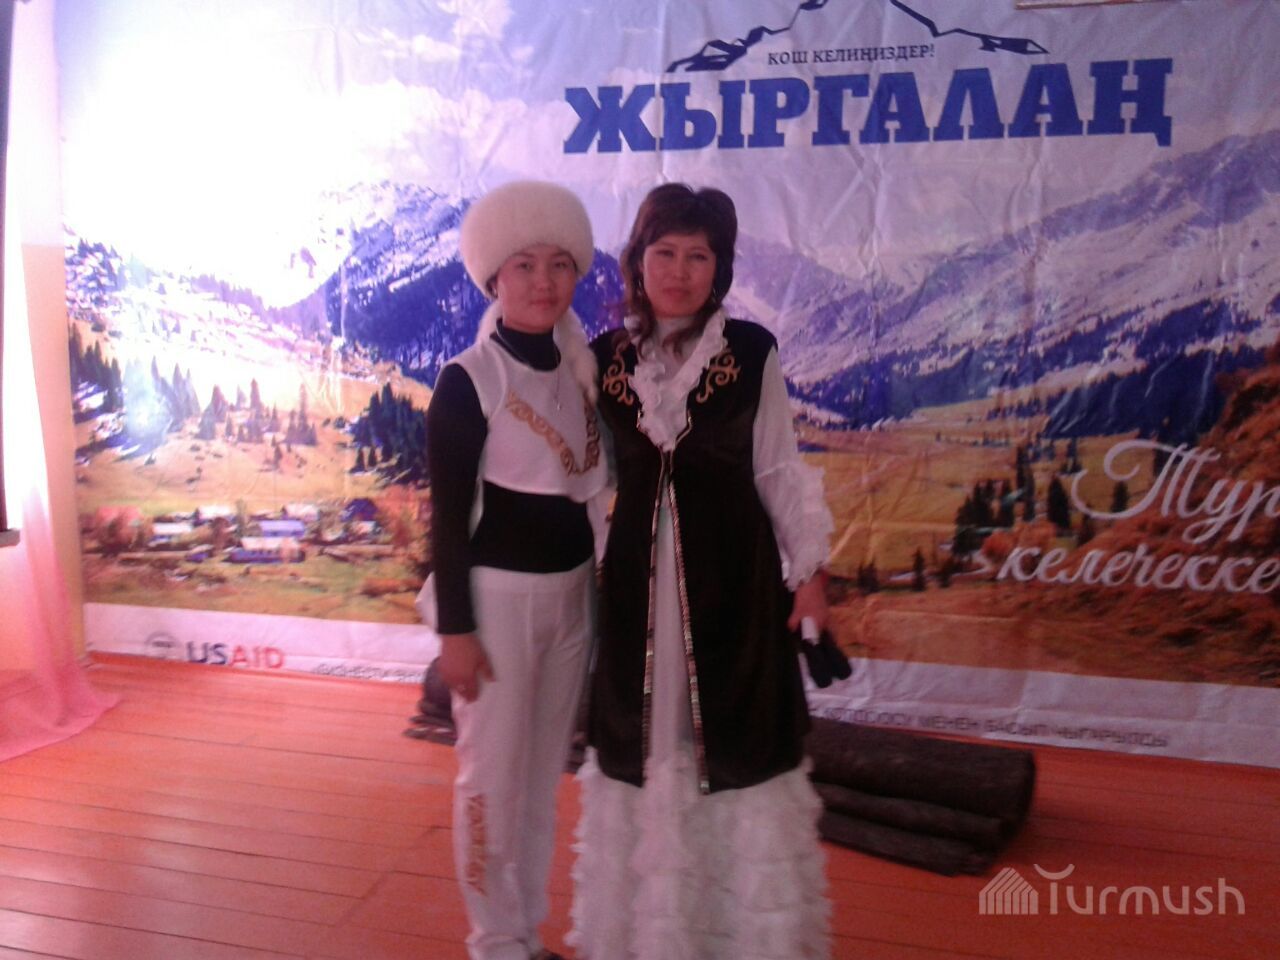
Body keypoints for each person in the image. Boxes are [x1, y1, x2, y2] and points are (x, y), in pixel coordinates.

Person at [569, 183, 835, 959]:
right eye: (664, 253)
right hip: (634, 593)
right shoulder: (604, 361)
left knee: (735, 744)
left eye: (698, 256)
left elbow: (779, 467)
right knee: (643, 748)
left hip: (734, 588)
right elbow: (586, 479)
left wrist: (810, 573)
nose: (679, 272)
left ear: (719, 267)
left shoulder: (750, 352)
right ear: (637, 261)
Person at [426, 180, 607, 960]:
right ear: (494, 276)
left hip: (573, 602)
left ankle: (526, 933)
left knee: (538, 781)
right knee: (490, 780)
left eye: (559, 264)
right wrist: (456, 632)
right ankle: (493, 942)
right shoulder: (469, 380)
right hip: (496, 607)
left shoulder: (585, 371)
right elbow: (445, 520)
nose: (543, 282)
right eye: (525, 265)